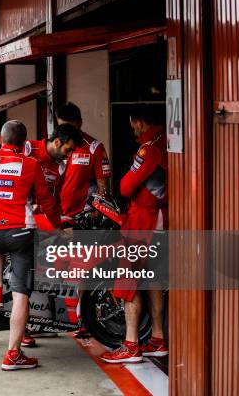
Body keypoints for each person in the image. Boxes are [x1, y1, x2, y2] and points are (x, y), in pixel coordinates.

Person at [0, 123, 82, 348]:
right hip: (22, 234)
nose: (69, 155)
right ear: (25, 143)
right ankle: (13, 351)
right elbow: (47, 202)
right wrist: (58, 229)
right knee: (21, 293)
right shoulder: (32, 163)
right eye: (68, 150)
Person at [101, 107, 168, 363]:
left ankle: (131, 345)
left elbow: (125, 186)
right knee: (154, 282)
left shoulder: (149, 148)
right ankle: (158, 339)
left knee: (128, 283)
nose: (133, 130)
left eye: (133, 125)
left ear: (138, 121)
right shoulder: (168, 141)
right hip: (163, 224)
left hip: (144, 223)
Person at [56, 102, 112, 339]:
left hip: (82, 220)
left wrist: (95, 214)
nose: (64, 132)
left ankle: (82, 319)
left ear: (79, 124)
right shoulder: (56, 145)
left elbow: (103, 187)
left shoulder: (94, 148)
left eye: (68, 127)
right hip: (57, 217)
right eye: (61, 127)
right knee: (55, 269)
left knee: (80, 271)